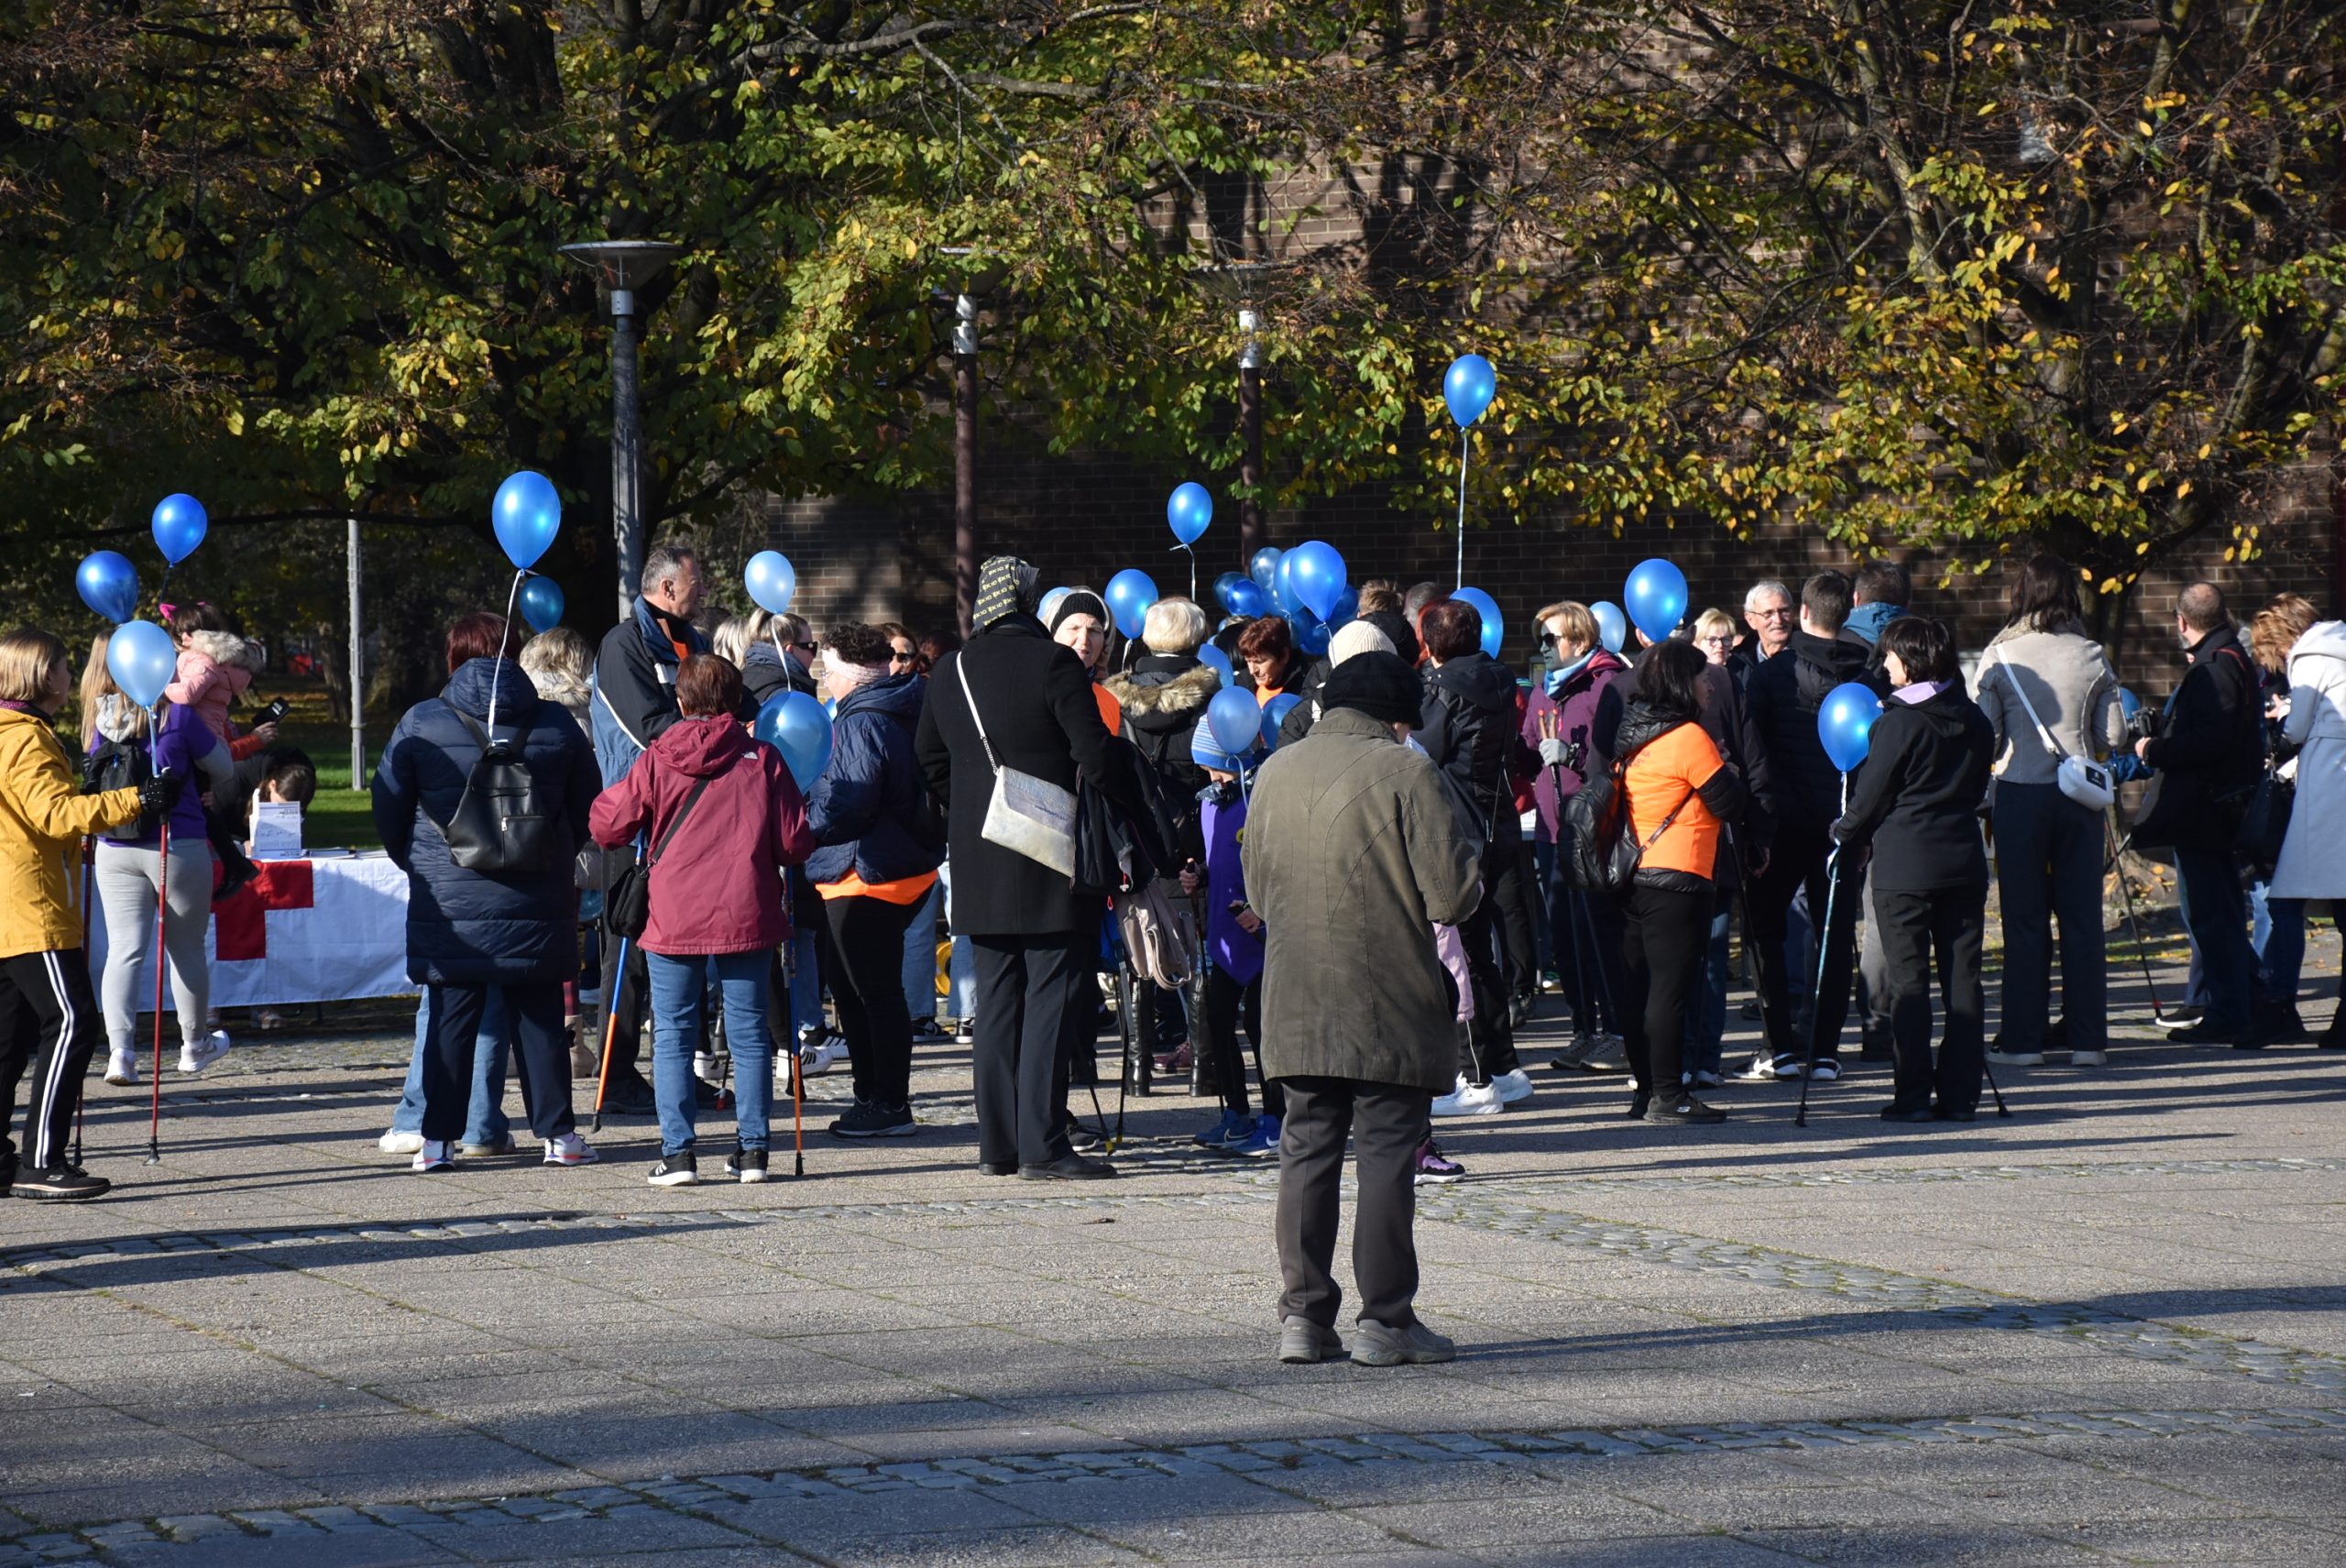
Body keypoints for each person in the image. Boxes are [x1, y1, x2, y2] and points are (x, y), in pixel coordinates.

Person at [1244, 650, 1480, 1366]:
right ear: (1395, 716)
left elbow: (1257, 893)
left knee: (1306, 1149)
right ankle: (1386, 1320)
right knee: (1385, 1152)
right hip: (1388, 996)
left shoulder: (1276, 770)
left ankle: (1305, 1319)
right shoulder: (1408, 771)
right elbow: (1451, 897)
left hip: (1294, 992)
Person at [916, 556, 1135, 1180]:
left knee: (997, 1000)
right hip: (1051, 851)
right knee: (1051, 996)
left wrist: (976, 810)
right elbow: (1095, 754)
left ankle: (999, 1145)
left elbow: (927, 757)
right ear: (1029, 601)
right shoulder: (1054, 664)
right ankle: (1043, 1144)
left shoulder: (950, 670)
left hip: (982, 853)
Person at [374, 611, 600, 1173]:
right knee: (540, 1018)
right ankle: (559, 1137)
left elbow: (388, 805)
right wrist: (555, 848)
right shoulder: (555, 724)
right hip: (537, 894)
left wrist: (423, 863)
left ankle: (436, 1144)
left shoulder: (421, 722)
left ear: (451, 659)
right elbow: (587, 805)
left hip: (450, 897)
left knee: (451, 1019)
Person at [589, 653, 814, 1185]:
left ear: (682, 701)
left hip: (674, 914)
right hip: (747, 910)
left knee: (672, 1032)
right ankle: (755, 1152)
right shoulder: (764, 759)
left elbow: (611, 826)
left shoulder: (657, 759)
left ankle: (679, 1154)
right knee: (751, 1034)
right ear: (736, 702)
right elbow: (794, 843)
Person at [1, 628, 166, 1200]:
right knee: (72, 1021)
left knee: (12, 1035)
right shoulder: (23, 738)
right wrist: (135, 800)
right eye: (67, 665)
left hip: (12, 903)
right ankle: (41, 1160)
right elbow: (53, 814)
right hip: (30, 904)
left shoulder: (13, 733)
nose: (74, 675)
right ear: (43, 675)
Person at [1829, 618, 1994, 1122]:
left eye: (1891, 656)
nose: (1884, 665)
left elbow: (1871, 795)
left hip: (1906, 865)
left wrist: (1842, 833)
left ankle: (1913, 1096)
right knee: (1963, 980)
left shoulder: (1899, 723)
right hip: (1963, 859)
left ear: (1912, 659)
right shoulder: (1975, 719)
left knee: (1910, 983)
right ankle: (1961, 1094)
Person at [1974, 554, 2125, 1070]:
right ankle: (2088, 1040)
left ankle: (2023, 1040)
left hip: (2020, 793)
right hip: (2078, 800)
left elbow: (1986, 735)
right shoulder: (2091, 653)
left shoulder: (2000, 656)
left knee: (2024, 920)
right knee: (2082, 920)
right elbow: (2114, 737)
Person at [803, 624, 943, 1139]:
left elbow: (850, 802)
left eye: (828, 672)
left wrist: (798, 825)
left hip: (864, 873)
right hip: (897, 865)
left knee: (872, 992)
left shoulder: (862, 721)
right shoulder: (904, 704)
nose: (823, 681)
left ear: (847, 675)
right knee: (858, 989)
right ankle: (874, 1096)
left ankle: (887, 1103)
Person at [592, 542, 715, 1111]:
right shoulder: (624, 644)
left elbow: (719, 705)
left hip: (692, 816)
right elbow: (652, 728)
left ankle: (679, 1071)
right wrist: (716, 736)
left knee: (685, 950)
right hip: (637, 818)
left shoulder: (696, 641)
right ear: (666, 588)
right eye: (696, 581)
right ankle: (615, 1075)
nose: (704, 589)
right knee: (629, 952)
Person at [1743, 570, 1879, 1082]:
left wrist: (1758, 823)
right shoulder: (1868, 680)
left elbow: (1751, 753)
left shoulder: (1773, 676)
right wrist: (1862, 829)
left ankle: (1778, 1046)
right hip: (1840, 826)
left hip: (1780, 827)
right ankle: (1824, 1050)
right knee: (1834, 936)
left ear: (1803, 613)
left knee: (1765, 933)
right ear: (1847, 613)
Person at [86, 645, 236, 1087]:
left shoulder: (102, 717)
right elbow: (224, 768)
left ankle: (120, 1053)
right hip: (178, 841)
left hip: (115, 844)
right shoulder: (178, 716)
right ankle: (193, 1046)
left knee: (124, 950)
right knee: (185, 948)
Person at [1611, 641, 1748, 1124]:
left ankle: (1646, 1090)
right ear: (1680, 684)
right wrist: (1730, 774)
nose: (1710, 684)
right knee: (1669, 991)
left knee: (1638, 989)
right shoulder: (1689, 737)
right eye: (1701, 676)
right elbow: (1729, 804)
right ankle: (1670, 1096)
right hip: (1680, 873)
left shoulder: (1635, 733)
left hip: (1634, 874)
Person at [1416, 598, 1535, 1116]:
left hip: (1460, 831)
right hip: (1497, 825)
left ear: (1431, 643)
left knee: (1459, 956)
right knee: (1481, 958)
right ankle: (1504, 1066)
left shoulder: (1441, 691)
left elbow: (1424, 752)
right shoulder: (1502, 678)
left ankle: (1475, 1076)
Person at [2132, 582, 2264, 1044]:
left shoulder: (2214, 667)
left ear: (2182, 622)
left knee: (2212, 914)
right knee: (2218, 910)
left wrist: (2156, 748)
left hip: (2207, 811)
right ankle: (2253, 1003)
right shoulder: (2233, 658)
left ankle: (2232, 1011)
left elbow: (2210, 741)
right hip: (2220, 808)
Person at [1102, 597, 1219, 1074]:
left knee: (1139, 937)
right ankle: (1203, 1055)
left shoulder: (1113, 698)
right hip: (1195, 828)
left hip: (1133, 833)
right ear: (1197, 637)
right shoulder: (1212, 697)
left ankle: (1138, 1059)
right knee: (1196, 940)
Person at [1528, 600, 1632, 1070]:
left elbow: (1614, 756)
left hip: (1593, 828)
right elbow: (1529, 748)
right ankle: (1582, 1028)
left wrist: (1570, 756)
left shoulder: (1603, 683)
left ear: (1581, 640)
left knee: (1596, 933)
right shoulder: (1541, 692)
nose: (1545, 648)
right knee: (1566, 939)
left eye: (1553, 639)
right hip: (1552, 830)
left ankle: (1616, 1029)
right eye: (1540, 640)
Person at [1180, 729, 1279, 1157]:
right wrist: (1198, 874)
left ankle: (1276, 1119)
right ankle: (1236, 1113)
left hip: (1262, 937)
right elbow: (1217, 857)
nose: (1210, 774)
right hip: (1225, 938)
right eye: (1205, 766)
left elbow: (1279, 864)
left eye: (1217, 765)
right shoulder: (1209, 802)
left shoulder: (1263, 800)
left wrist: (1263, 911)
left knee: (1262, 1030)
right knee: (1216, 1021)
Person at [2247, 595, 2334, 1047]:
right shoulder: (2338, 649)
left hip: (2323, 796)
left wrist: (2283, 717)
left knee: (2284, 903)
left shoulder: (2310, 658)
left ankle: (2280, 1007)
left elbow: (2296, 731)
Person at [1843, 561, 1911, 1058]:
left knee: (1822, 908)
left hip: (1837, 793)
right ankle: (1881, 1023)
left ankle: (1812, 1020)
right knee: (1881, 920)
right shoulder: (1919, 646)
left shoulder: (1838, 644)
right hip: (1897, 801)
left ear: (1856, 600)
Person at [1048, 589, 1123, 733]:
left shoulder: (1109, 702)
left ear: (1105, 642)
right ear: (1052, 634)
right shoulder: (1032, 691)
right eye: (1074, 628)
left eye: (1094, 630)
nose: (1084, 640)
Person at [1733, 580, 1794, 678]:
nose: (1778, 620)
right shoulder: (1738, 664)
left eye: (1784, 611)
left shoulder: (1809, 658)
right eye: (1768, 614)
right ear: (1751, 620)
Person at [1238, 615, 1304, 703]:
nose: (1252, 671)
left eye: (1259, 662)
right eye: (1248, 661)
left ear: (1284, 656)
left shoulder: (1305, 690)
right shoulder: (1241, 686)